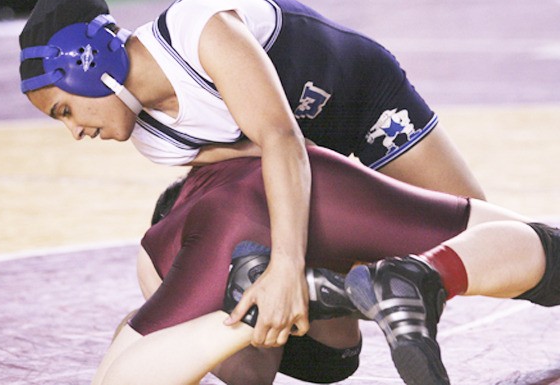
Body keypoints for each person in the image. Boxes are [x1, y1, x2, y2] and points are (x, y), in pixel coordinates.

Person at [19, 0, 486, 351]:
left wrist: (286, 265)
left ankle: (381, 281)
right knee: (337, 330)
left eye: (65, 111)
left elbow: (282, 141)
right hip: (310, 152)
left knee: (479, 235)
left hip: (363, 98)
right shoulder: (155, 141)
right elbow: (266, 170)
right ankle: (368, 287)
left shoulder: (193, 29)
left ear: (86, 63)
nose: (75, 131)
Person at [88, 145, 558, 385]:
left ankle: (285, 300)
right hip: (306, 177)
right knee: (548, 250)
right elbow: (281, 133)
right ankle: (420, 276)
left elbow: (252, 376)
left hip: (246, 250)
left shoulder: (158, 250)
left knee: (316, 358)